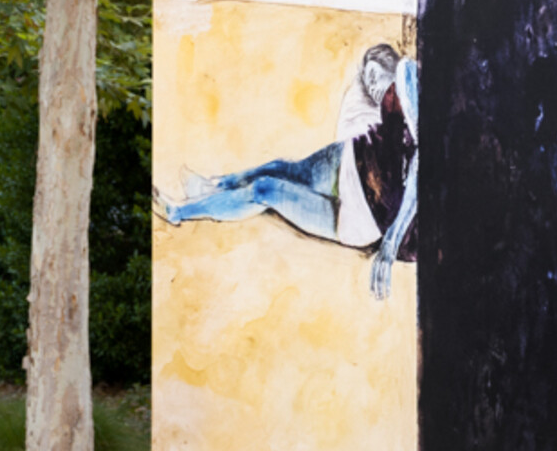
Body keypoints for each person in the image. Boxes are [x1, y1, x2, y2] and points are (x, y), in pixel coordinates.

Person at [159, 43, 421, 300]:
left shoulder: (407, 81)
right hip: (347, 161)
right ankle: (211, 188)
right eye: (367, 79)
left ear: (393, 67)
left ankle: (179, 212)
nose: (372, 86)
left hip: (363, 215)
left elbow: (420, 167)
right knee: (277, 168)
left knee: (266, 189)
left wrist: (391, 242)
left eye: (374, 75)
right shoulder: (382, 107)